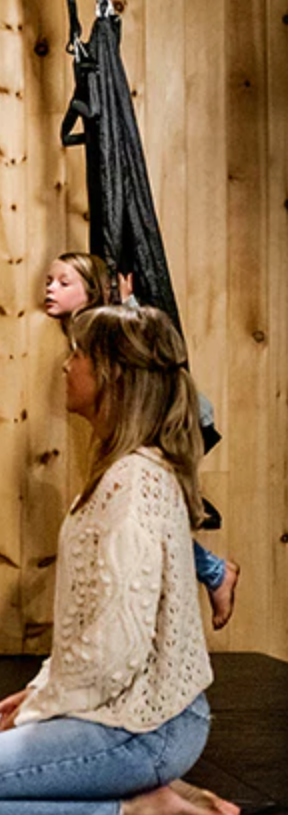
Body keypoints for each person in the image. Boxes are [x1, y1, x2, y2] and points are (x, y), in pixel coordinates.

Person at [0, 306, 241, 815]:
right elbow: (86, 632)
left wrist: (40, 707)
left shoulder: (132, 486)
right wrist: (38, 694)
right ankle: (131, 783)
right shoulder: (122, 469)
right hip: (122, 709)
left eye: (77, 354)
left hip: (143, 730)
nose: (65, 366)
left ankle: (135, 808)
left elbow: (116, 648)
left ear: (111, 374)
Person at [43, 252, 239, 629]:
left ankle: (215, 574)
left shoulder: (109, 328)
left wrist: (128, 300)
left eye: (64, 283)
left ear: (93, 291)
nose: (51, 289)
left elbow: (146, 343)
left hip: (181, 418)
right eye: (49, 281)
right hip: (163, 419)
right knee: (154, 519)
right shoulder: (84, 329)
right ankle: (214, 572)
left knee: (150, 510)